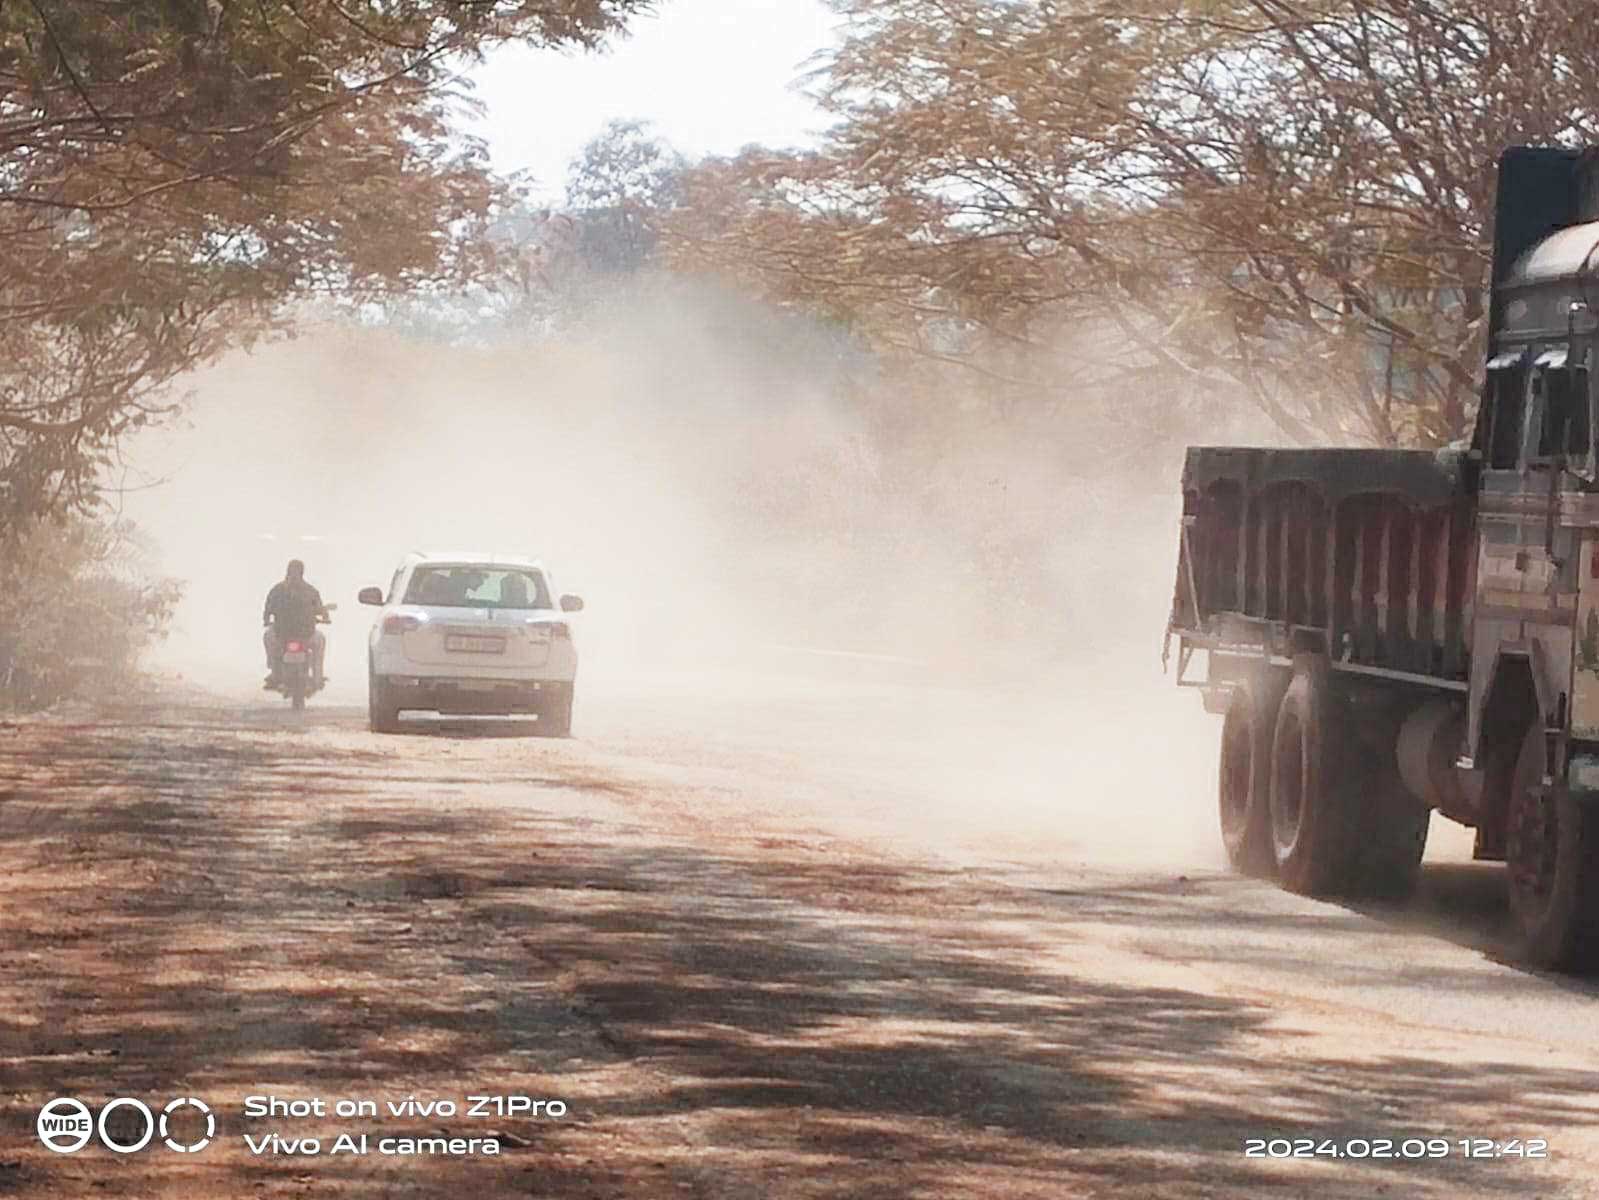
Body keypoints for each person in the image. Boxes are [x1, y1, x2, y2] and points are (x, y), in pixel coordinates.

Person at [262, 559, 328, 688]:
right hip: (306, 635)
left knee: (268, 637)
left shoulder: (277, 589)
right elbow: (320, 609)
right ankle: (317, 677)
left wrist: (266, 620)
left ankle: (274, 670)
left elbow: (268, 608)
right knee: (320, 641)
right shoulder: (310, 590)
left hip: (282, 635)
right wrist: (325, 617)